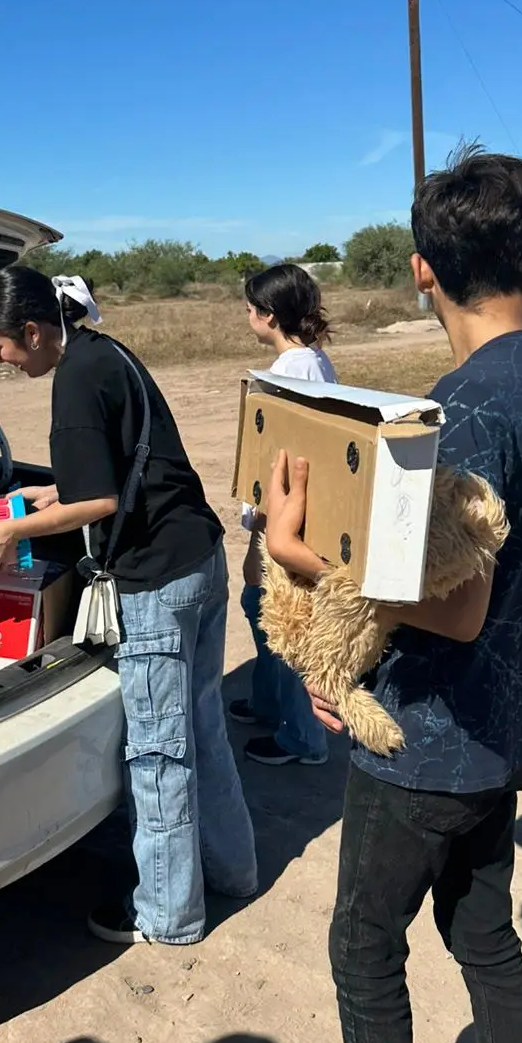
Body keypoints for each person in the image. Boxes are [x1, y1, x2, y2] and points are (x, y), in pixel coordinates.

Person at [245, 147, 522, 1043]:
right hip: (501, 736)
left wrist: (297, 552)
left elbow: (458, 607)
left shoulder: (465, 408)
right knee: (485, 934)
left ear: (422, 272)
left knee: (362, 945)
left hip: (429, 742)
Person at [0, 265, 258, 947]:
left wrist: (10, 530)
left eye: (0, 347)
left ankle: (166, 914)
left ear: (34, 331)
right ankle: (232, 871)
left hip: (156, 581)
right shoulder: (106, 352)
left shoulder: (71, 382)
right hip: (197, 556)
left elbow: (100, 503)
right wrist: (49, 497)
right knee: (203, 729)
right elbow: (122, 467)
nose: (2, 362)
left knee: (157, 754)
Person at [233, 264, 336, 768]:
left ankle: (303, 736)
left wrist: (259, 518)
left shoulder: (296, 371)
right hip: (280, 515)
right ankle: (270, 702)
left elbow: (285, 453)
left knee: (283, 618)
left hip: (285, 518)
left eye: (250, 309)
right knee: (258, 601)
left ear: (268, 316)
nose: (247, 317)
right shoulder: (307, 363)